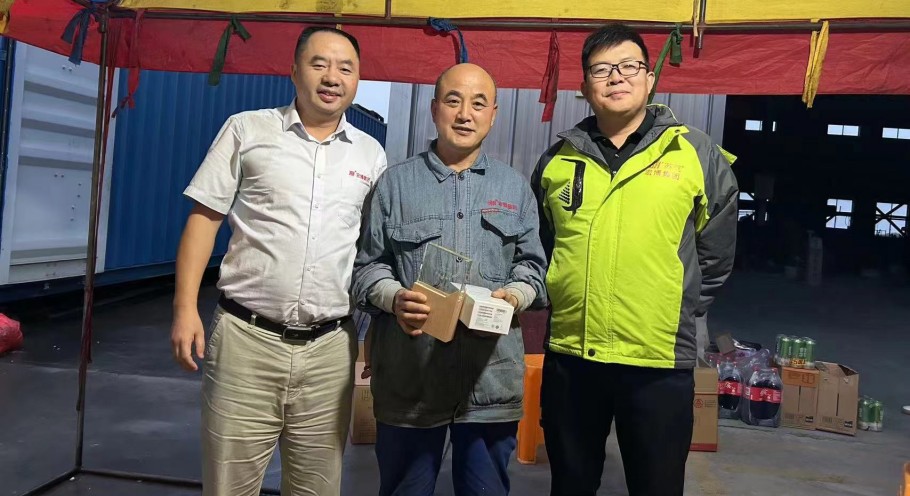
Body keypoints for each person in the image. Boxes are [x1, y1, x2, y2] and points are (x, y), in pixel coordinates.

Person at [169, 26, 387, 496]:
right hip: (246, 341)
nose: (332, 77)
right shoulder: (247, 130)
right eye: (318, 64)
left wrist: (375, 335)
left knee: (316, 488)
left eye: (345, 68)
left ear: (357, 80)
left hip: (330, 350)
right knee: (230, 486)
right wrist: (184, 308)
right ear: (293, 70)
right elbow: (204, 219)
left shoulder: (371, 155)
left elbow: (373, 251)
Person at [531, 23, 739, 496]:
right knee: (570, 484)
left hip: (658, 362)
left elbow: (716, 254)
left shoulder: (694, 153)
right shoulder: (557, 160)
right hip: (573, 356)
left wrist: (675, 305)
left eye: (629, 66)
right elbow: (544, 247)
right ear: (585, 86)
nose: (616, 77)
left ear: (649, 78)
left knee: (657, 486)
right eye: (602, 69)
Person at [352, 63, 547, 496]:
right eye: (454, 101)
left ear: (493, 114)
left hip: (489, 385)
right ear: (434, 108)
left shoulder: (514, 189)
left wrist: (515, 295)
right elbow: (366, 268)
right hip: (410, 384)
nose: (465, 114)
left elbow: (533, 268)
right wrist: (394, 297)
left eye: (478, 103)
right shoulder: (395, 185)